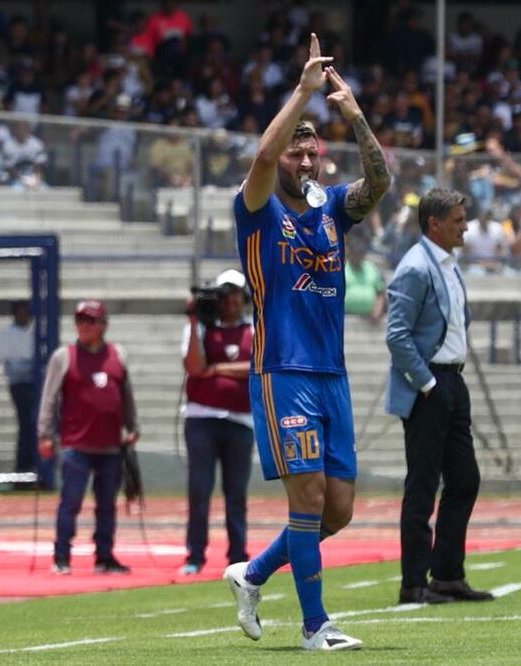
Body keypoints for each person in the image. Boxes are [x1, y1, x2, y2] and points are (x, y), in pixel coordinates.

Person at [224, 33, 390, 652]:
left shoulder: (330, 207)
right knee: (309, 496)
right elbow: (263, 160)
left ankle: (254, 573)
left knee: (338, 510)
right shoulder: (257, 207)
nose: (308, 162)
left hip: (332, 373)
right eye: (300, 153)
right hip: (282, 370)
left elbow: (380, 182)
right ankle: (316, 625)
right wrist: (302, 93)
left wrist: (352, 114)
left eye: (314, 153)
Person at [385, 187, 495, 606]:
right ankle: (413, 583)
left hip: (453, 380)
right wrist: (426, 384)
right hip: (429, 385)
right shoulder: (415, 267)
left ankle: (447, 574)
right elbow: (396, 334)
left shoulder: (448, 264)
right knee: (423, 484)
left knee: (465, 479)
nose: (465, 226)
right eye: (457, 220)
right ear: (434, 223)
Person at [38, 299, 140, 575]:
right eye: (80, 320)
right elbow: (49, 398)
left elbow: (126, 393)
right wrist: (44, 434)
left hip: (110, 444)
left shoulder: (117, 354)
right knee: (70, 502)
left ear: (103, 326)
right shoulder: (64, 356)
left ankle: (104, 556)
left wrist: (133, 426)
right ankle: (61, 556)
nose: (84, 326)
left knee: (107, 505)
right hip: (76, 444)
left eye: (91, 321)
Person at [180, 270, 254, 575]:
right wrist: (196, 320)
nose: (231, 300)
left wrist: (219, 368)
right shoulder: (200, 329)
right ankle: (195, 555)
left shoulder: (255, 328)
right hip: (202, 418)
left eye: (236, 293)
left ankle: (238, 555)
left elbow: (257, 365)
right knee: (200, 488)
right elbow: (195, 368)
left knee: (236, 492)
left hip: (240, 420)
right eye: (225, 294)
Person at [4, 300, 36, 480]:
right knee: (25, 425)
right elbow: (14, 365)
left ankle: (31, 463)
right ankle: (23, 466)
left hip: (33, 383)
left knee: (33, 425)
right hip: (19, 383)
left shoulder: (34, 332)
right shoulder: (12, 334)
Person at [343, 232, 386, 325]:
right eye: (356, 253)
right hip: (346, 319)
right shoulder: (342, 270)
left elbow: (380, 293)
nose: (358, 255)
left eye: (361, 253)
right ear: (351, 253)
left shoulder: (372, 269)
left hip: (370, 320)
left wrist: (377, 310)